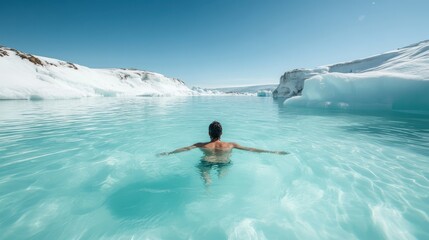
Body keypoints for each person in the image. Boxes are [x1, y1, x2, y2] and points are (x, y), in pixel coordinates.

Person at [158, 121, 289, 160]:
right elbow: (251, 149)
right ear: (222, 133)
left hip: (207, 162)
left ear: (209, 133)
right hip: (224, 162)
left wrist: (168, 153)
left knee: (205, 176)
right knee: (222, 175)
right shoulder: (231, 144)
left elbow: (186, 149)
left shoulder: (201, 145)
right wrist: (273, 152)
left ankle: (207, 184)